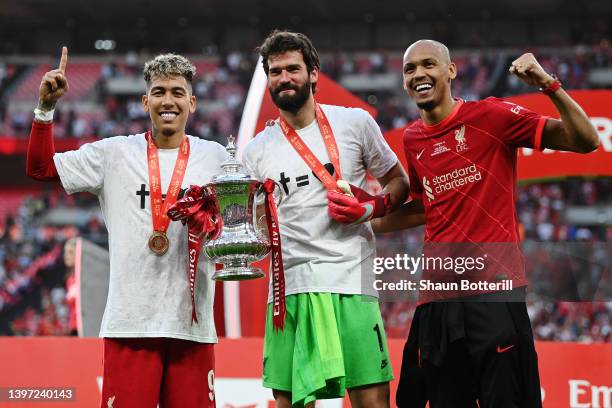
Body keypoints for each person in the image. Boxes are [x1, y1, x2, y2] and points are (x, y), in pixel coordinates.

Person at [373, 40, 599, 408]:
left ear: (451, 70)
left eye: (428, 64)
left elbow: (586, 140)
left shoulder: (492, 117)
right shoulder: (413, 139)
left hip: (494, 293)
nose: (418, 74)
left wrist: (546, 83)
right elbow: (428, 207)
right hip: (438, 303)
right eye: (409, 69)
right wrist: (365, 218)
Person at [26, 47, 228, 408]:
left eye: (178, 92)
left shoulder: (217, 157)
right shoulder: (113, 154)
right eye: (160, 92)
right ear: (144, 100)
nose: (169, 101)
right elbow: (41, 168)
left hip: (192, 328)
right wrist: (45, 110)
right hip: (129, 325)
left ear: (193, 102)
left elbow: (243, 217)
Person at [242, 30, 410, 408]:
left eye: (292, 69)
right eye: (275, 71)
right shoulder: (255, 151)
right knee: (291, 404)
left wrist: (370, 208)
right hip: (290, 291)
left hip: (352, 281)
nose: (283, 78)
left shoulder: (355, 123)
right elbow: (251, 223)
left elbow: (398, 182)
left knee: (372, 401)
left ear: (313, 73)